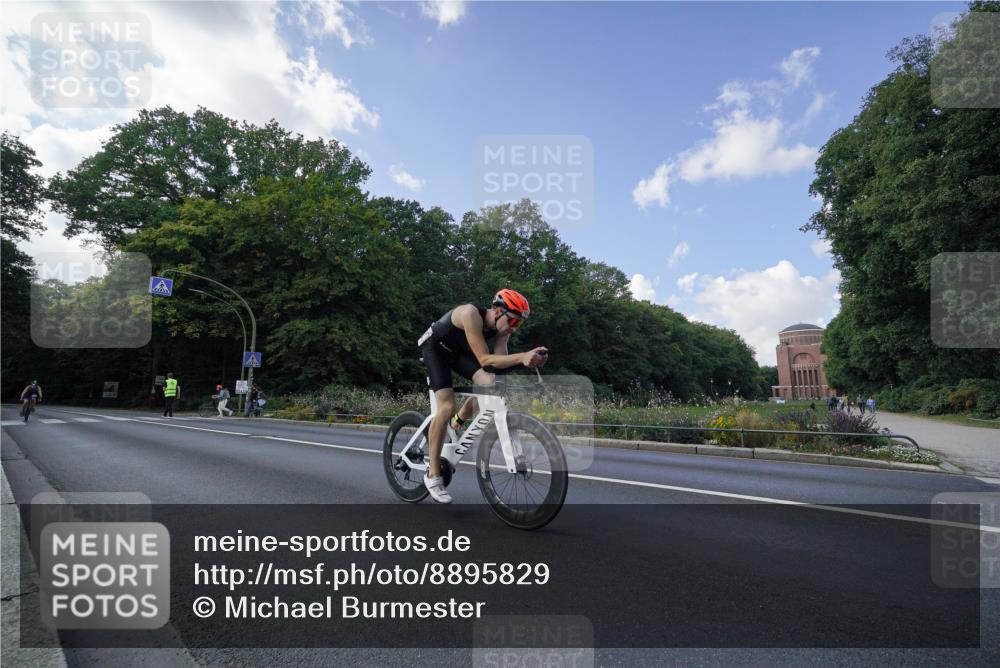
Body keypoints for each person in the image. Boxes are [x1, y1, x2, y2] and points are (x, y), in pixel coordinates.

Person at [419, 289, 548, 504]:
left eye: (519, 324)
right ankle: (433, 474)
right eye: (512, 322)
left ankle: (456, 423)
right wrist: (522, 357)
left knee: (492, 385)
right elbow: (485, 360)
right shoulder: (470, 313)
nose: (513, 328)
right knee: (446, 406)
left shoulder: (502, 331)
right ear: (498, 311)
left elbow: (498, 370)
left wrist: (528, 361)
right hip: (436, 349)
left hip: (459, 353)